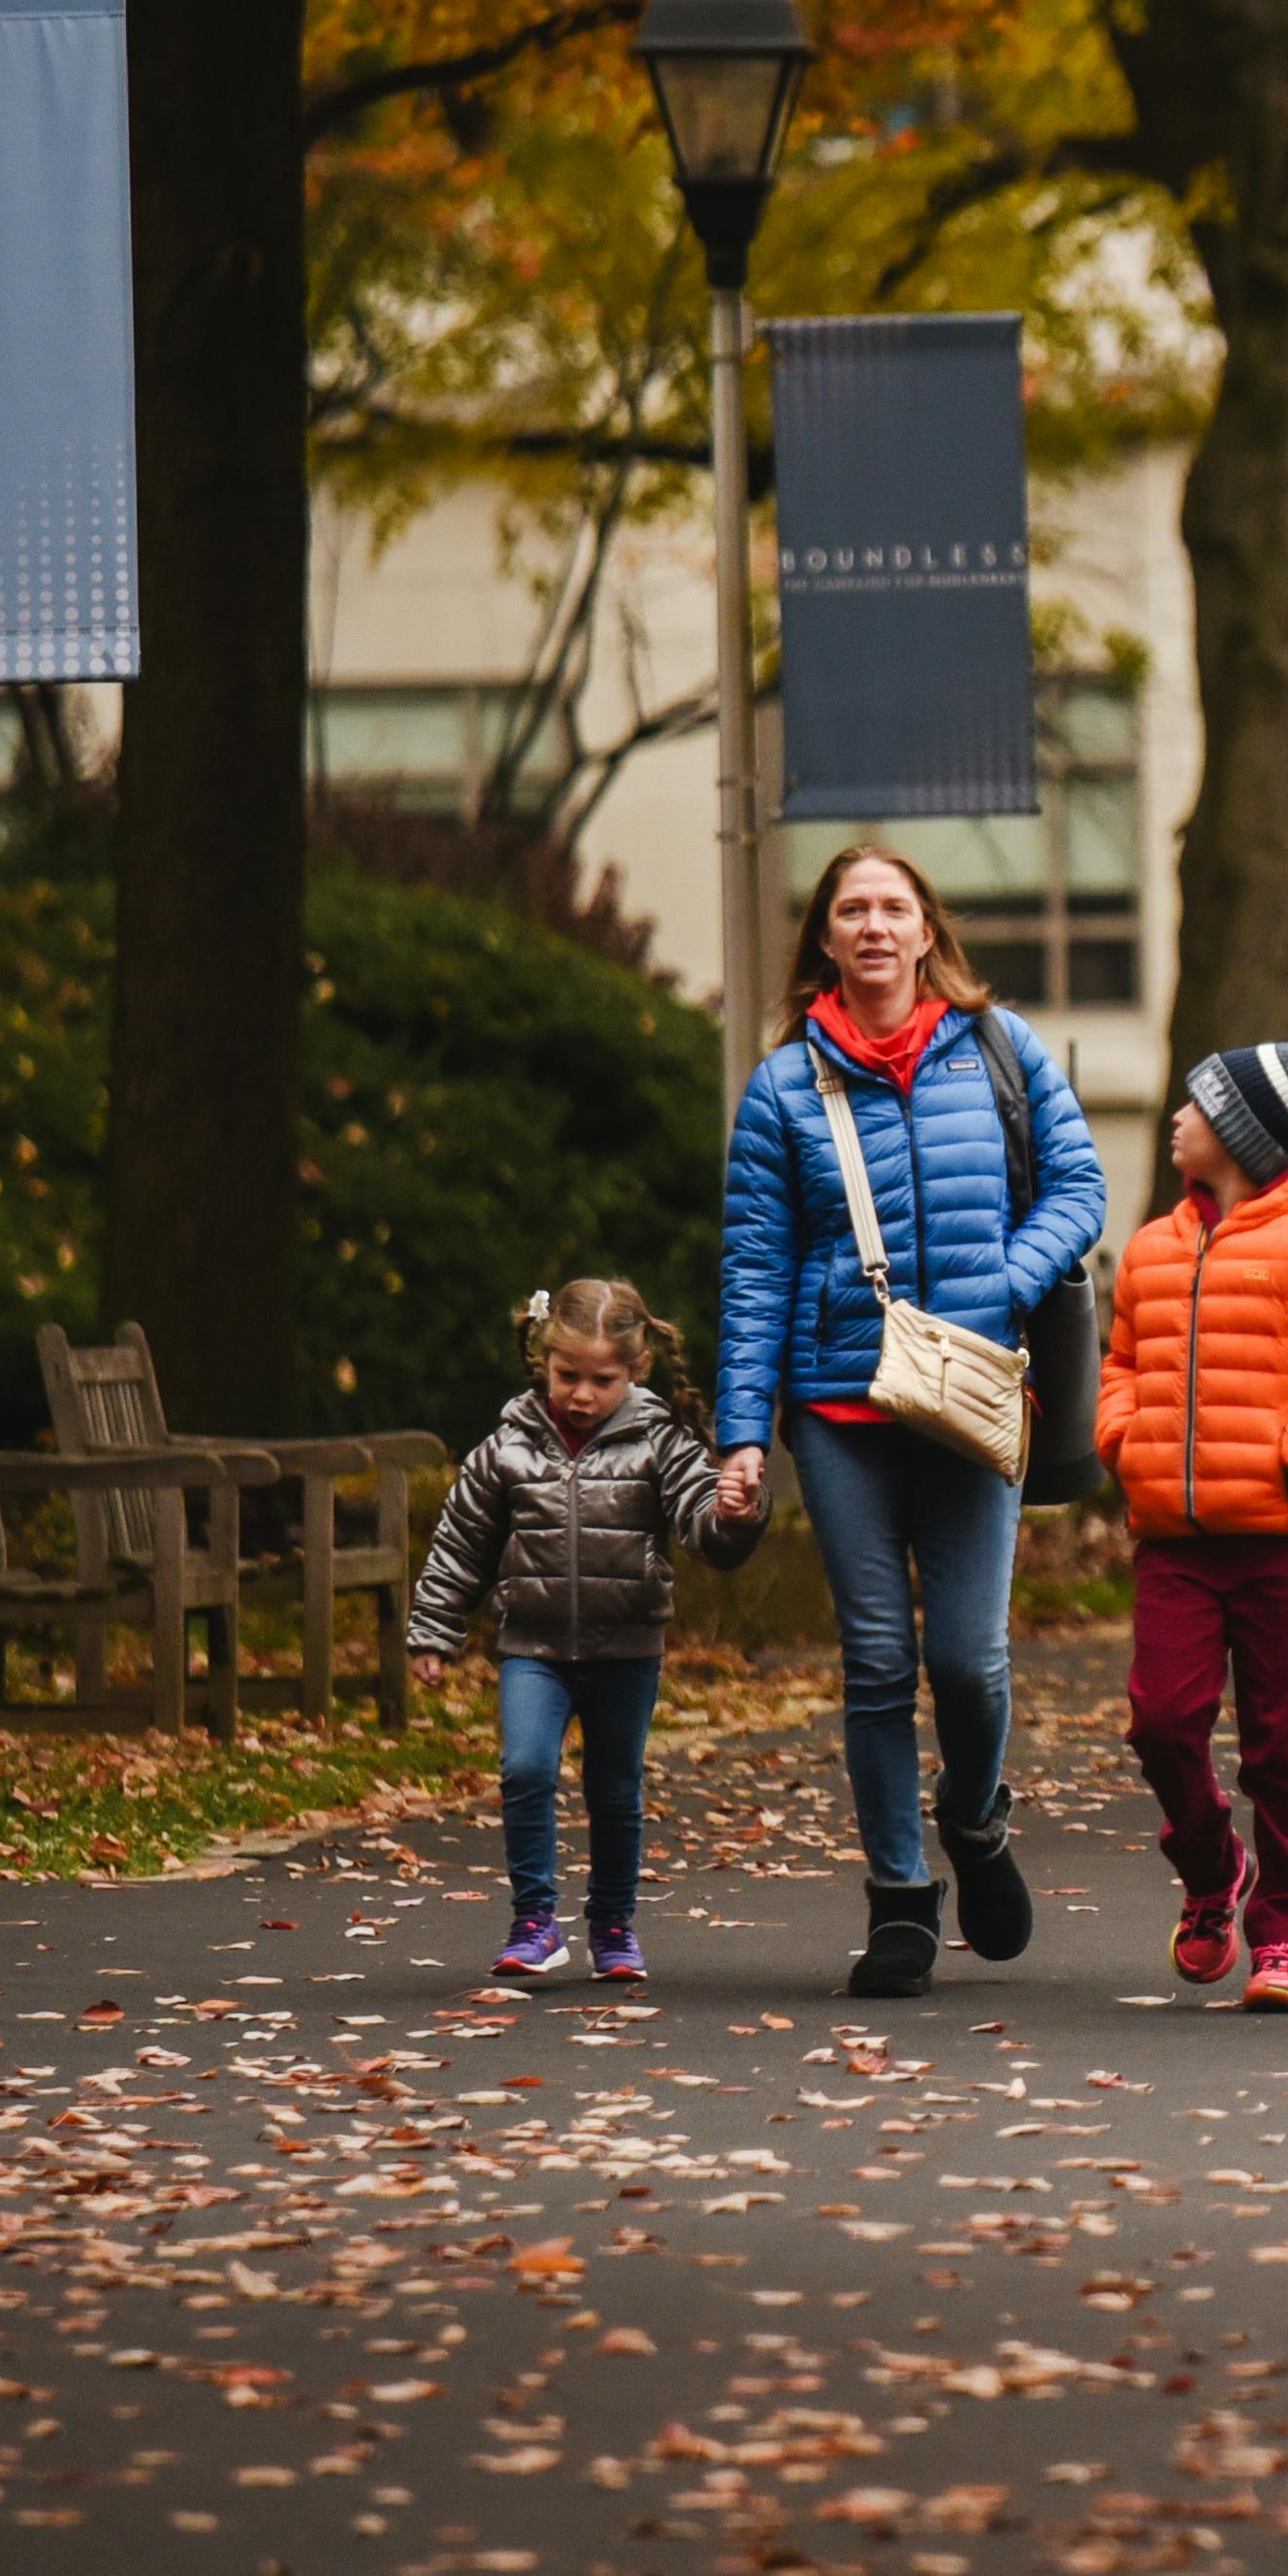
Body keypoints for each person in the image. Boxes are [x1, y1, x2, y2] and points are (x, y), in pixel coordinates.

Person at [718, 843, 1108, 1998]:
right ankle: (899, 1898)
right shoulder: (784, 1085)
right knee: (880, 1660)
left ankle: (975, 1820)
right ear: (826, 941)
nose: (875, 925)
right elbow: (754, 1265)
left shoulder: (997, 1045)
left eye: (894, 906)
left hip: (975, 1389)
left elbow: (1077, 1187)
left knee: (972, 1664)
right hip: (840, 1406)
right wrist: (745, 1428)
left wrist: (1002, 1278)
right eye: (852, 910)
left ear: (926, 931)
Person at [1101, 1028, 1288, 2015]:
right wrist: (1123, 1438)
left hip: (1283, 1537)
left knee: (1282, 1742)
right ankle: (1209, 1867)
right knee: (1161, 1719)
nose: (1179, 1117)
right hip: (1175, 1542)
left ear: (1240, 1131)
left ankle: (1282, 1934)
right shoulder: (1152, 1247)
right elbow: (1120, 1365)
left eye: (1197, 1105)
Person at [410, 1278, 737, 1986]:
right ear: (542, 1361)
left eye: (602, 1379)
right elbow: (461, 1541)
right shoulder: (507, 1447)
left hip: (627, 1650)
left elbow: (702, 1522)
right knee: (526, 1769)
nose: (582, 1394)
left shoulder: (663, 1443)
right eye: (568, 1376)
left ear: (635, 1371)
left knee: (614, 1789)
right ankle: (534, 1920)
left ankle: (613, 1925)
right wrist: (435, 1628)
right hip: (534, 1646)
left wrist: (737, 1511)